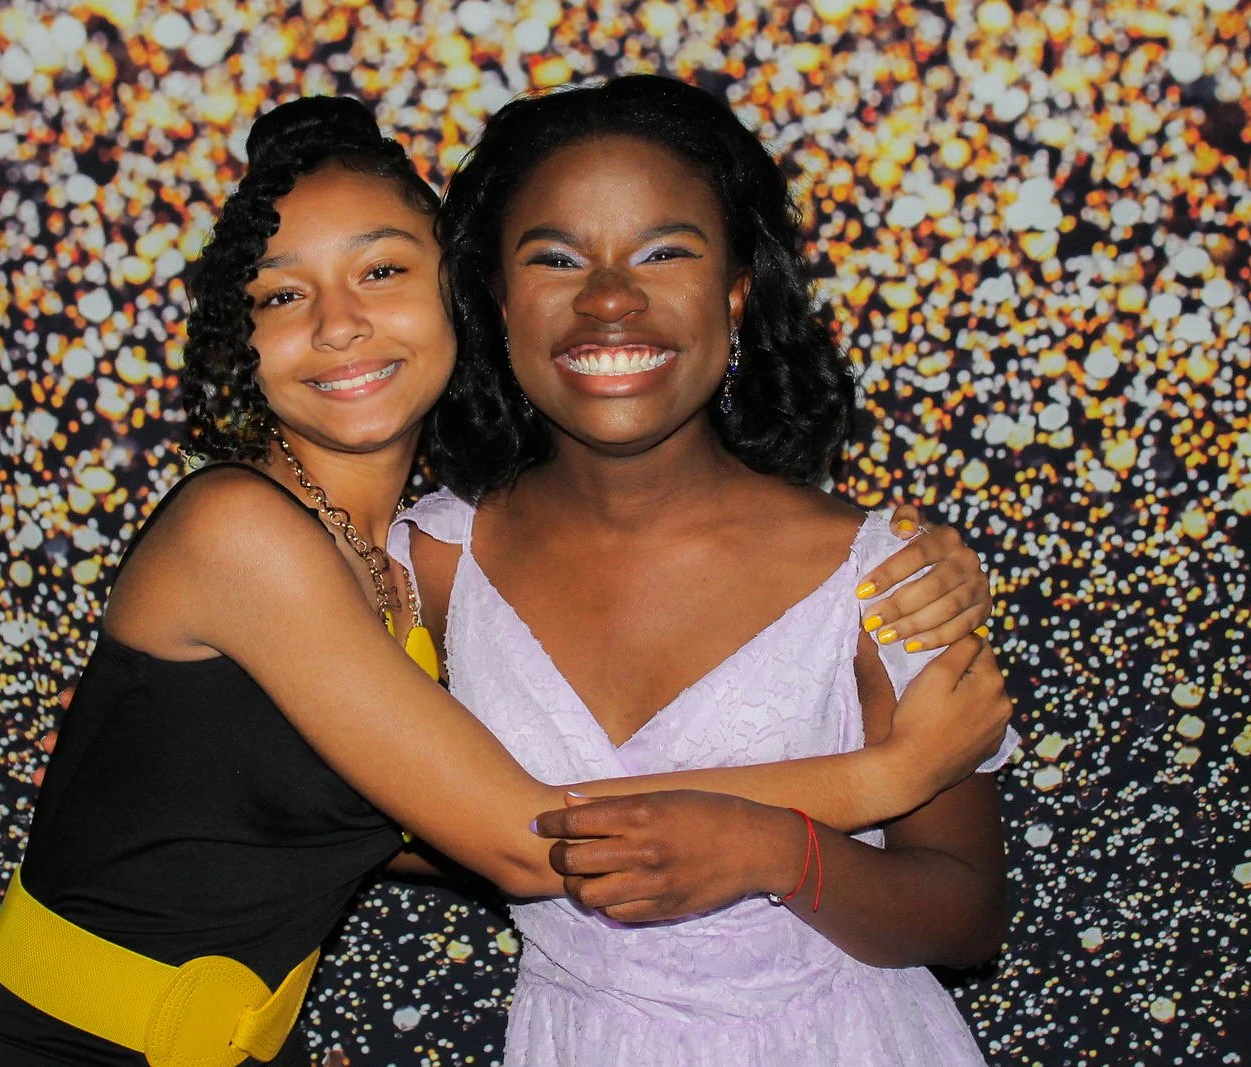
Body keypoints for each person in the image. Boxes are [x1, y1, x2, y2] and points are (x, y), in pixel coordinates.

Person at [0, 96, 1010, 1067]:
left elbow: (352, 816)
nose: (339, 323)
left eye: (382, 270)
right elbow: (517, 835)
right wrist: (881, 777)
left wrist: (895, 562)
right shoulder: (308, 542)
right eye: (279, 293)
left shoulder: (396, 559)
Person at [388, 75, 1020, 1065]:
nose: (607, 297)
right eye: (555, 257)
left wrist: (779, 851)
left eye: (663, 251)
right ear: (498, 302)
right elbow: (318, 815)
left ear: (736, 290)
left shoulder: (888, 578)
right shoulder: (423, 561)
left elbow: (966, 912)